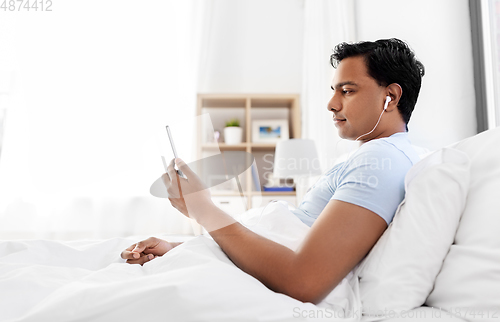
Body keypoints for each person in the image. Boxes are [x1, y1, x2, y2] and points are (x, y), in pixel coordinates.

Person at [121, 38, 425, 304]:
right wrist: (181, 246)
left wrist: (204, 210)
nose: (331, 104)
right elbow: (285, 242)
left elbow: (304, 281)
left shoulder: (382, 161)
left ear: (392, 97)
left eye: (347, 91)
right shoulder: (367, 157)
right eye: (334, 90)